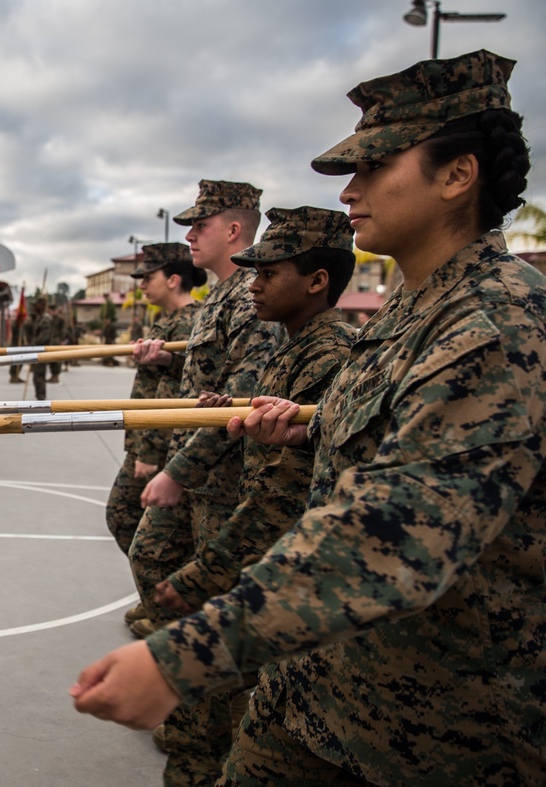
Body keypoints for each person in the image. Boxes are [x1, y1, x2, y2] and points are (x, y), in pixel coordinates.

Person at [72, 50, 545, 785]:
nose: (352, 190)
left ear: (458, 175)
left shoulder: (495, 323)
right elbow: (401, 433)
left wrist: (184, 655)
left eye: (376, 166)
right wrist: (315, 422)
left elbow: (394, 534)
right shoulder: (419, 307)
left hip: (435, 728)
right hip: (324, 685)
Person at [126, 180, 286, 784]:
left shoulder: (253, 296)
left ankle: (209, 736)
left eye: (199, 226)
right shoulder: (223, 296)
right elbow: (208, 374)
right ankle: (194, 713)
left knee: (210, 604)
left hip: (226, 479)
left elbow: (239, 403)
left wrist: (176, 470)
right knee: (159, 569)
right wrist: (167, 359)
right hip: (200, 471)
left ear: (235, 231)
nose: (188, 235)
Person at [105, 243, 205, 625]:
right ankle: (159, 598)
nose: (142, 285)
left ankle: (168, 606)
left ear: (174, 279)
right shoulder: (167, 320)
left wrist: (149, 450)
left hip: (162, 443)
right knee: (138, 525)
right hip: (147, 436)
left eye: (148, 277)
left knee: (127, 516)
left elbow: (173, 394)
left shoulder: (188, 322)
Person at [23, 296, 52, 400]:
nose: (35, 307)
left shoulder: (45, 319)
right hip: (36, 351)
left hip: (41, 351)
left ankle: (41, 398)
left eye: (37, 305)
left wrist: (32, 345)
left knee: (39, 376)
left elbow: (44, 337)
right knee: (36, 376)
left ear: (42, 305)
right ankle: (39, 397)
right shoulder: (38, 318)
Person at [47, 302, 66, 383]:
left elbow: (63, 331)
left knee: (57, 360)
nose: (52, 312)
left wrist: (62, 340)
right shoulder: (48, 319)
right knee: (51, 360)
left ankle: (56, 376)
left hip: (57, 342)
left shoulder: (60, 319)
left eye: (53, 310)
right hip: (50, 342)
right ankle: (52, 375)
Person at [99, 292, 119, 365]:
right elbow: (103, 333)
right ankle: (106, 361)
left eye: (107, 320)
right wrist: (102, 339)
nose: (106, 321)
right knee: (105, 352)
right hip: (106, 340)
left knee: (110, 352)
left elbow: (114, 334)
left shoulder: (112, 326)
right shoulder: (105, 326)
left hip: (110, 340)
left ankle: (110, 361)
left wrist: (113, 340)